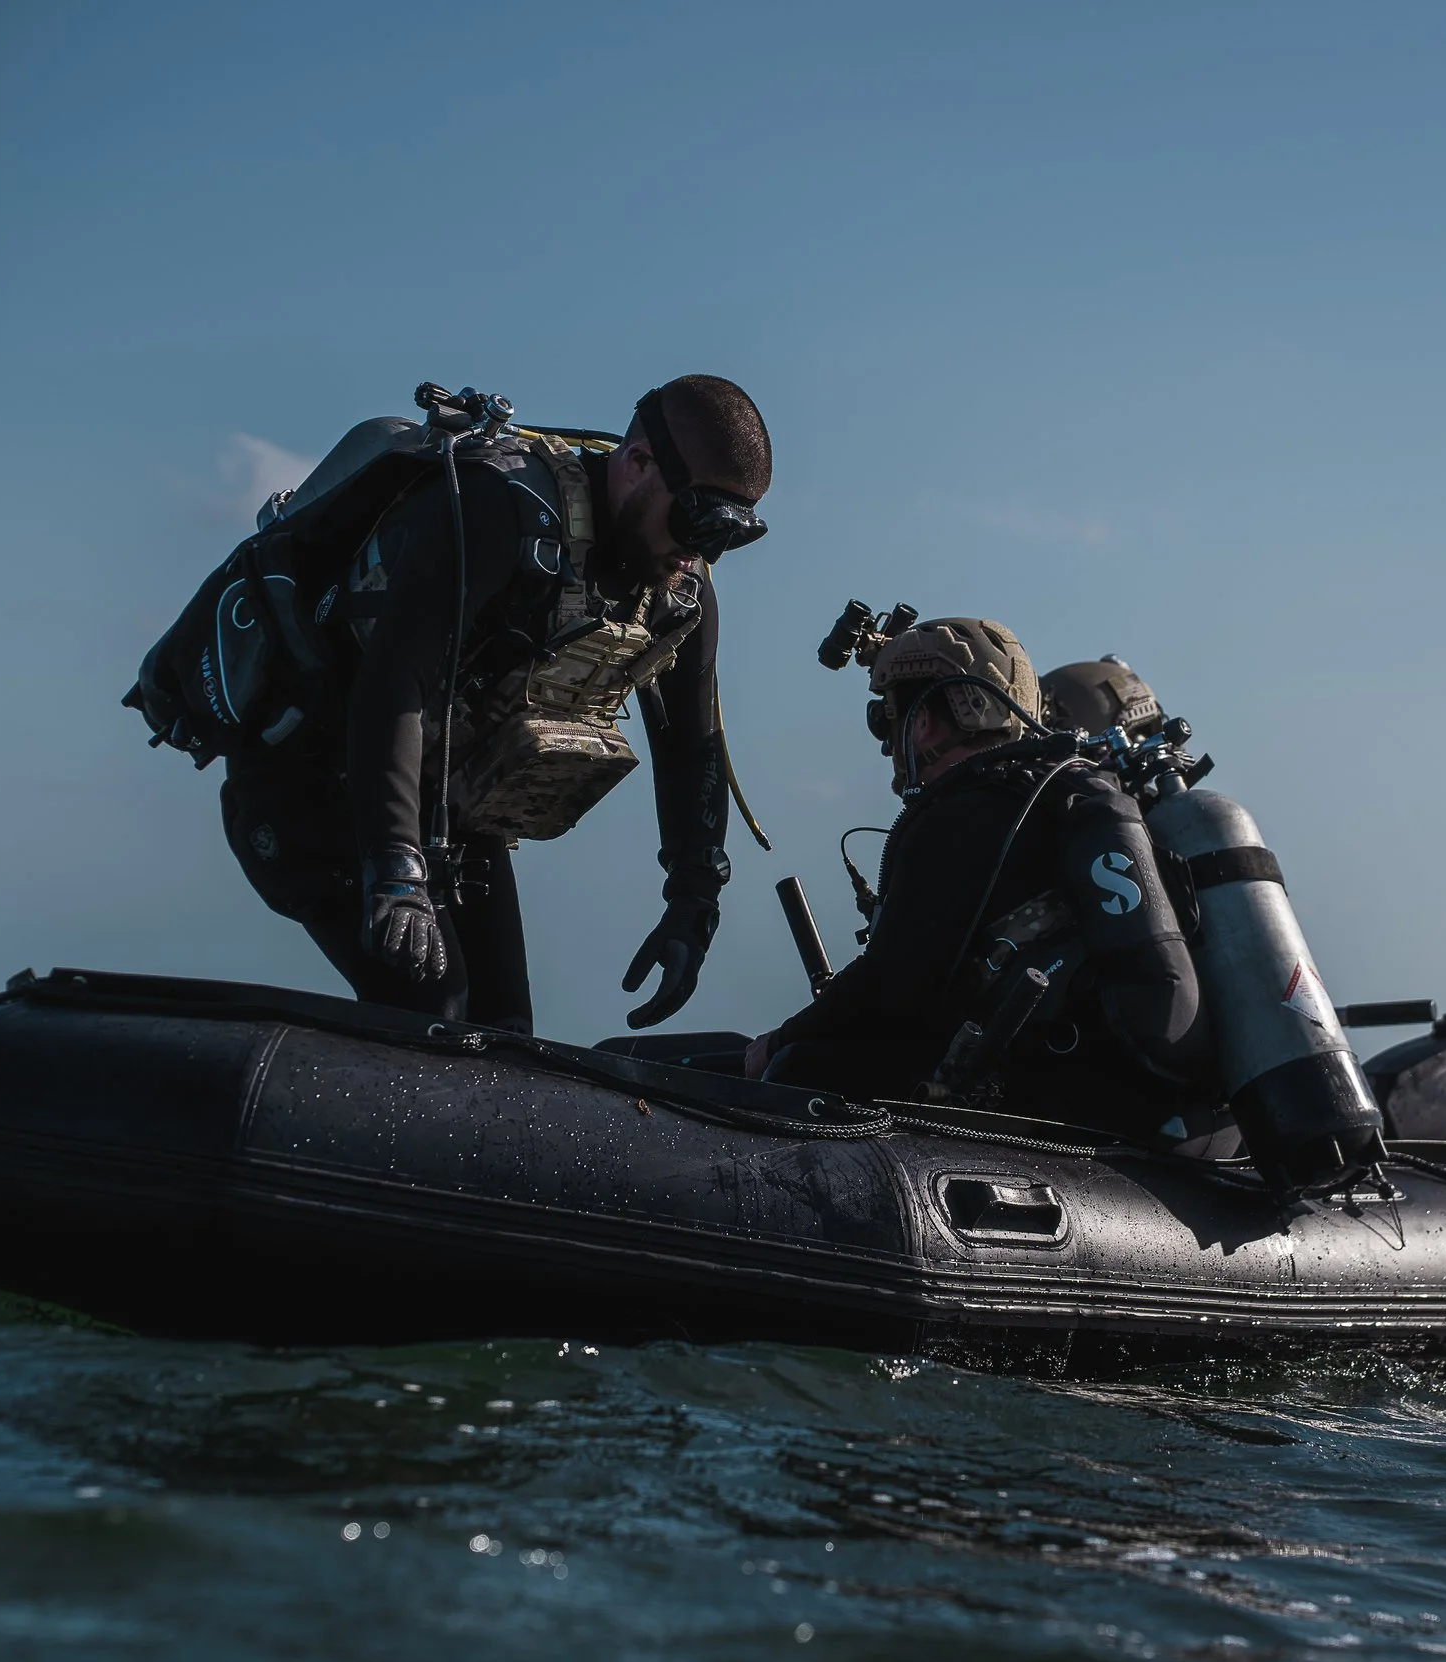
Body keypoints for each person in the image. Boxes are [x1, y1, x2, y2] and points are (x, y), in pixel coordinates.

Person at [217, 376, 771, 1035]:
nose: (703, 551)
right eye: (698, 520)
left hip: (446, 805)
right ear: (639, 462)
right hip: (312, 778)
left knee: (506, 1028)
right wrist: (396, 871)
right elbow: (393, 683)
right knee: (434, 1010)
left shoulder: (679, 591)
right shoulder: (498, 509)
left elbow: (690, 744)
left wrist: (693, 897)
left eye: (732, 535)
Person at [743, 618, 1208, 1125]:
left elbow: (891, 987)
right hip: (1149, 1100)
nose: (885, 743)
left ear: (922, 721)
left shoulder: (965, 813)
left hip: (1052, 1098)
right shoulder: (1063, 804)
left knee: (800, 1068)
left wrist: (780, 1042)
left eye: (886, 718)